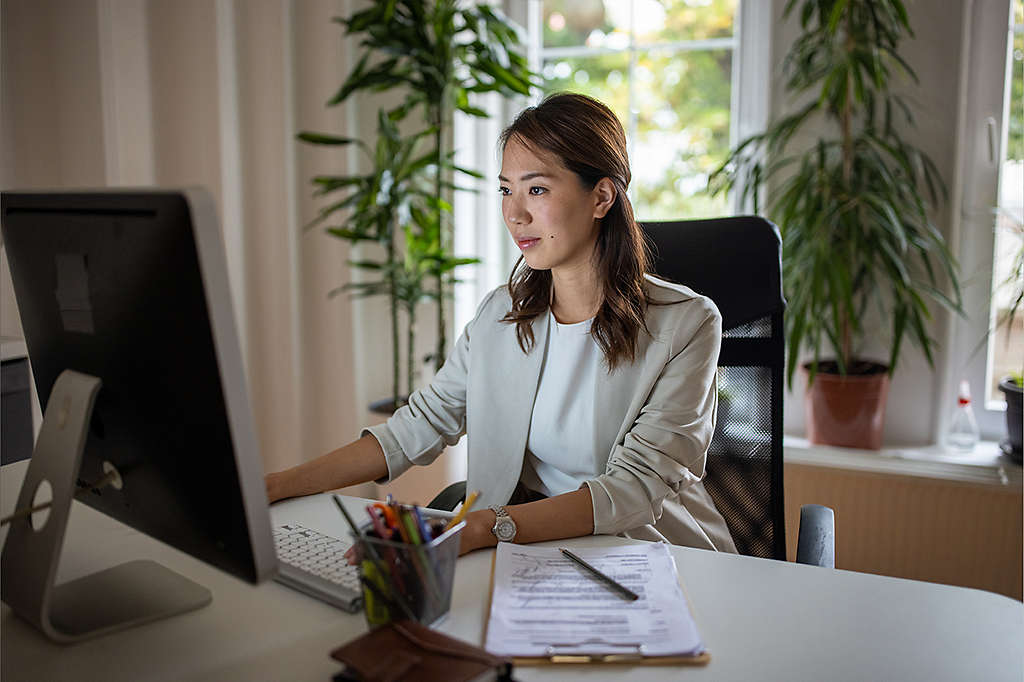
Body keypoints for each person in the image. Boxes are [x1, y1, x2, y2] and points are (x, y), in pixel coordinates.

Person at [265, 92, 737, 555]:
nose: (514, 214)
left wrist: (482, 528)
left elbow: (634, 491)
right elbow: (419, 426)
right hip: (537, 552)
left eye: (537, 189)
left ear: (602, 197)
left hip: (653, 558)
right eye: (506, 190)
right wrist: (275, 485)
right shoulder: (500, 315)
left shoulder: (687, 324)